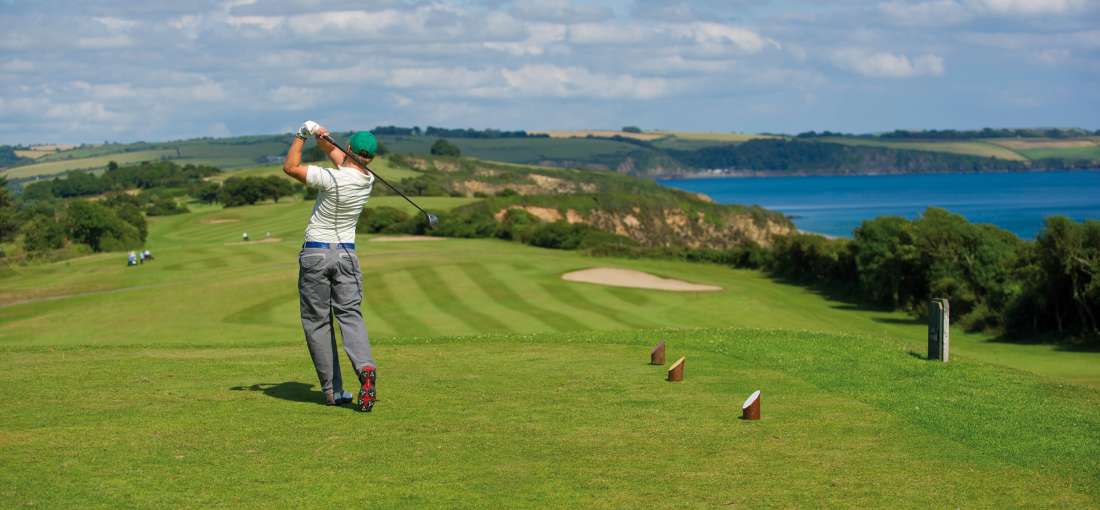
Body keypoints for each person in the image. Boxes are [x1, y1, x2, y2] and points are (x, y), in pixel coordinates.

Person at [282, 120, 378, 412]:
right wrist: (323, 138)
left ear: (348, 149)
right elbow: (340, 157)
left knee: (318, 322)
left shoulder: (330, 179)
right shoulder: (368, 178)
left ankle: (333, 391)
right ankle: (364, 368)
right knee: (350, 315)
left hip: (316, 254)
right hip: (347, 255)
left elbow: (290, 167)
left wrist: (302, 134)